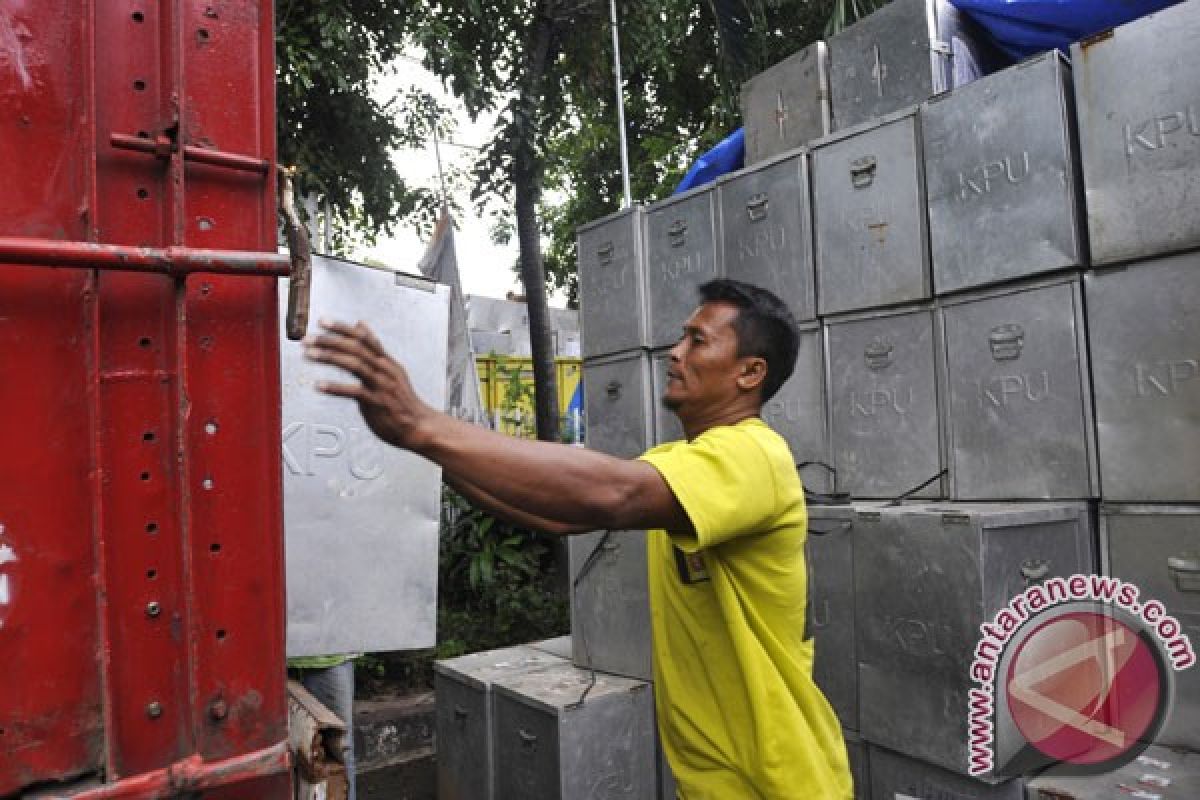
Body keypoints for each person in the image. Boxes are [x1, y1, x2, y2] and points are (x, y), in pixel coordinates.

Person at [305, 278, 852, 799]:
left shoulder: (755, 454)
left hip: (779, 781)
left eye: (698, 340)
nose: (676, 351)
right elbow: (562, 515)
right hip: (720, 781)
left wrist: (427, 426)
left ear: (750, 372)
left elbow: (615, 493)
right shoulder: (683, 465)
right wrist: (428, 445)